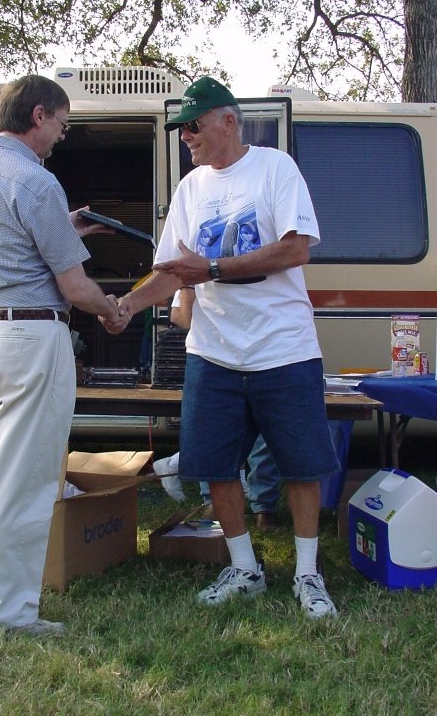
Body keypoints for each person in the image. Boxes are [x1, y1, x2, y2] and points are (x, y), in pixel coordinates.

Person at [102, 76, 341, 618]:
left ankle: (307, 574)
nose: (186, 137)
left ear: (228, 121)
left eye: (194, 126)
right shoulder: (189, 190)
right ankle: (244, 568)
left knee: (302, 466)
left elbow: (295, 249)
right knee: (216, 466)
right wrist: (128, 307)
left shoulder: (275, 169)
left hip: (284, 347)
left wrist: (210, 268)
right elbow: (169, 273)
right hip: (212, 352)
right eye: (181, 130)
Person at [0, 73, 123, 637]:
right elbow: (74, 287)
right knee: (23, 481)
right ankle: (6, 614)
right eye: (62, 126)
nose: (60, 138)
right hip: (28, 339)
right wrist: (110, 308)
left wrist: (62, 230)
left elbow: (7, 244)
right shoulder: (37, 182)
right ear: (40, 115)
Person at [154, 286, 281, 529]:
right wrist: (211, 326)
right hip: (217, 360)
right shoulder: (202, 269)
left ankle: (263, 505)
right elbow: (178, 316)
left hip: (266, 357)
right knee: (215, 433)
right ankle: (212, 500)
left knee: (267, 434)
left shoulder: (264, 270)